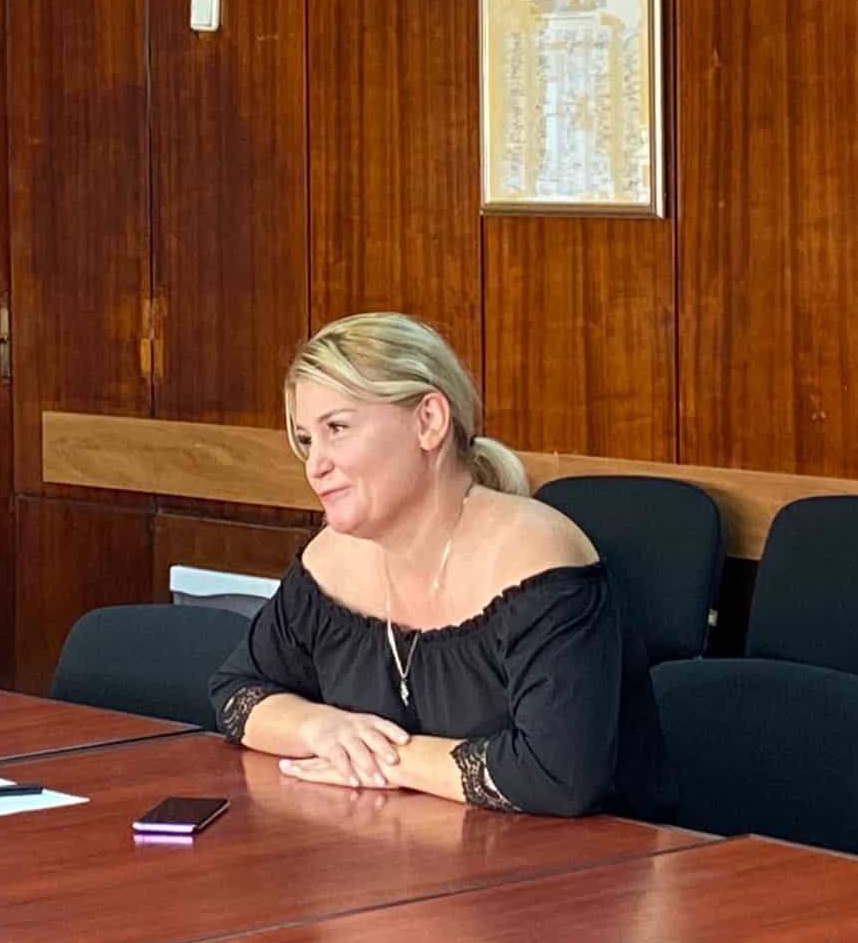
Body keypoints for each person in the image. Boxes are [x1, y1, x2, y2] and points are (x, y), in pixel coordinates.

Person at [209, 312, 675, 819]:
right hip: (415, 847)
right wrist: (323, 729)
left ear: (428, 421)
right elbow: (237, 692)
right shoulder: (330, 559)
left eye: (337, 429)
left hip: (593, 859)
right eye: (306, 439)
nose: (315, 465)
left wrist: (386, 758)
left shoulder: (537, 555)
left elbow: (558, 776)